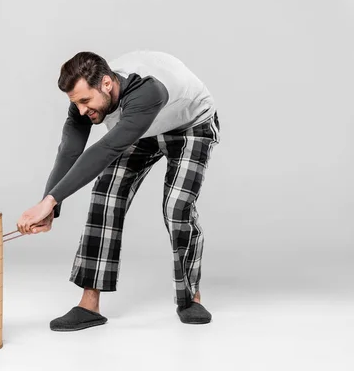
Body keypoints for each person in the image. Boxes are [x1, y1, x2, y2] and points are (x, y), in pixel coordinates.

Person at [16, 50, 221, 331]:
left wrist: (50, 200)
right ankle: (89, 306)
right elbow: (69, 151)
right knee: (106, 194)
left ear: (107, 85)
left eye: (86, 101)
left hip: (190, 124)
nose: (82, 111)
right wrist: (50, 205)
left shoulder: (147, 92)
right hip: (140, 128)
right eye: (76, 103)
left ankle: (190, 298)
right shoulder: (84, 99)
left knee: (177, 207)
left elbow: (107, 148)